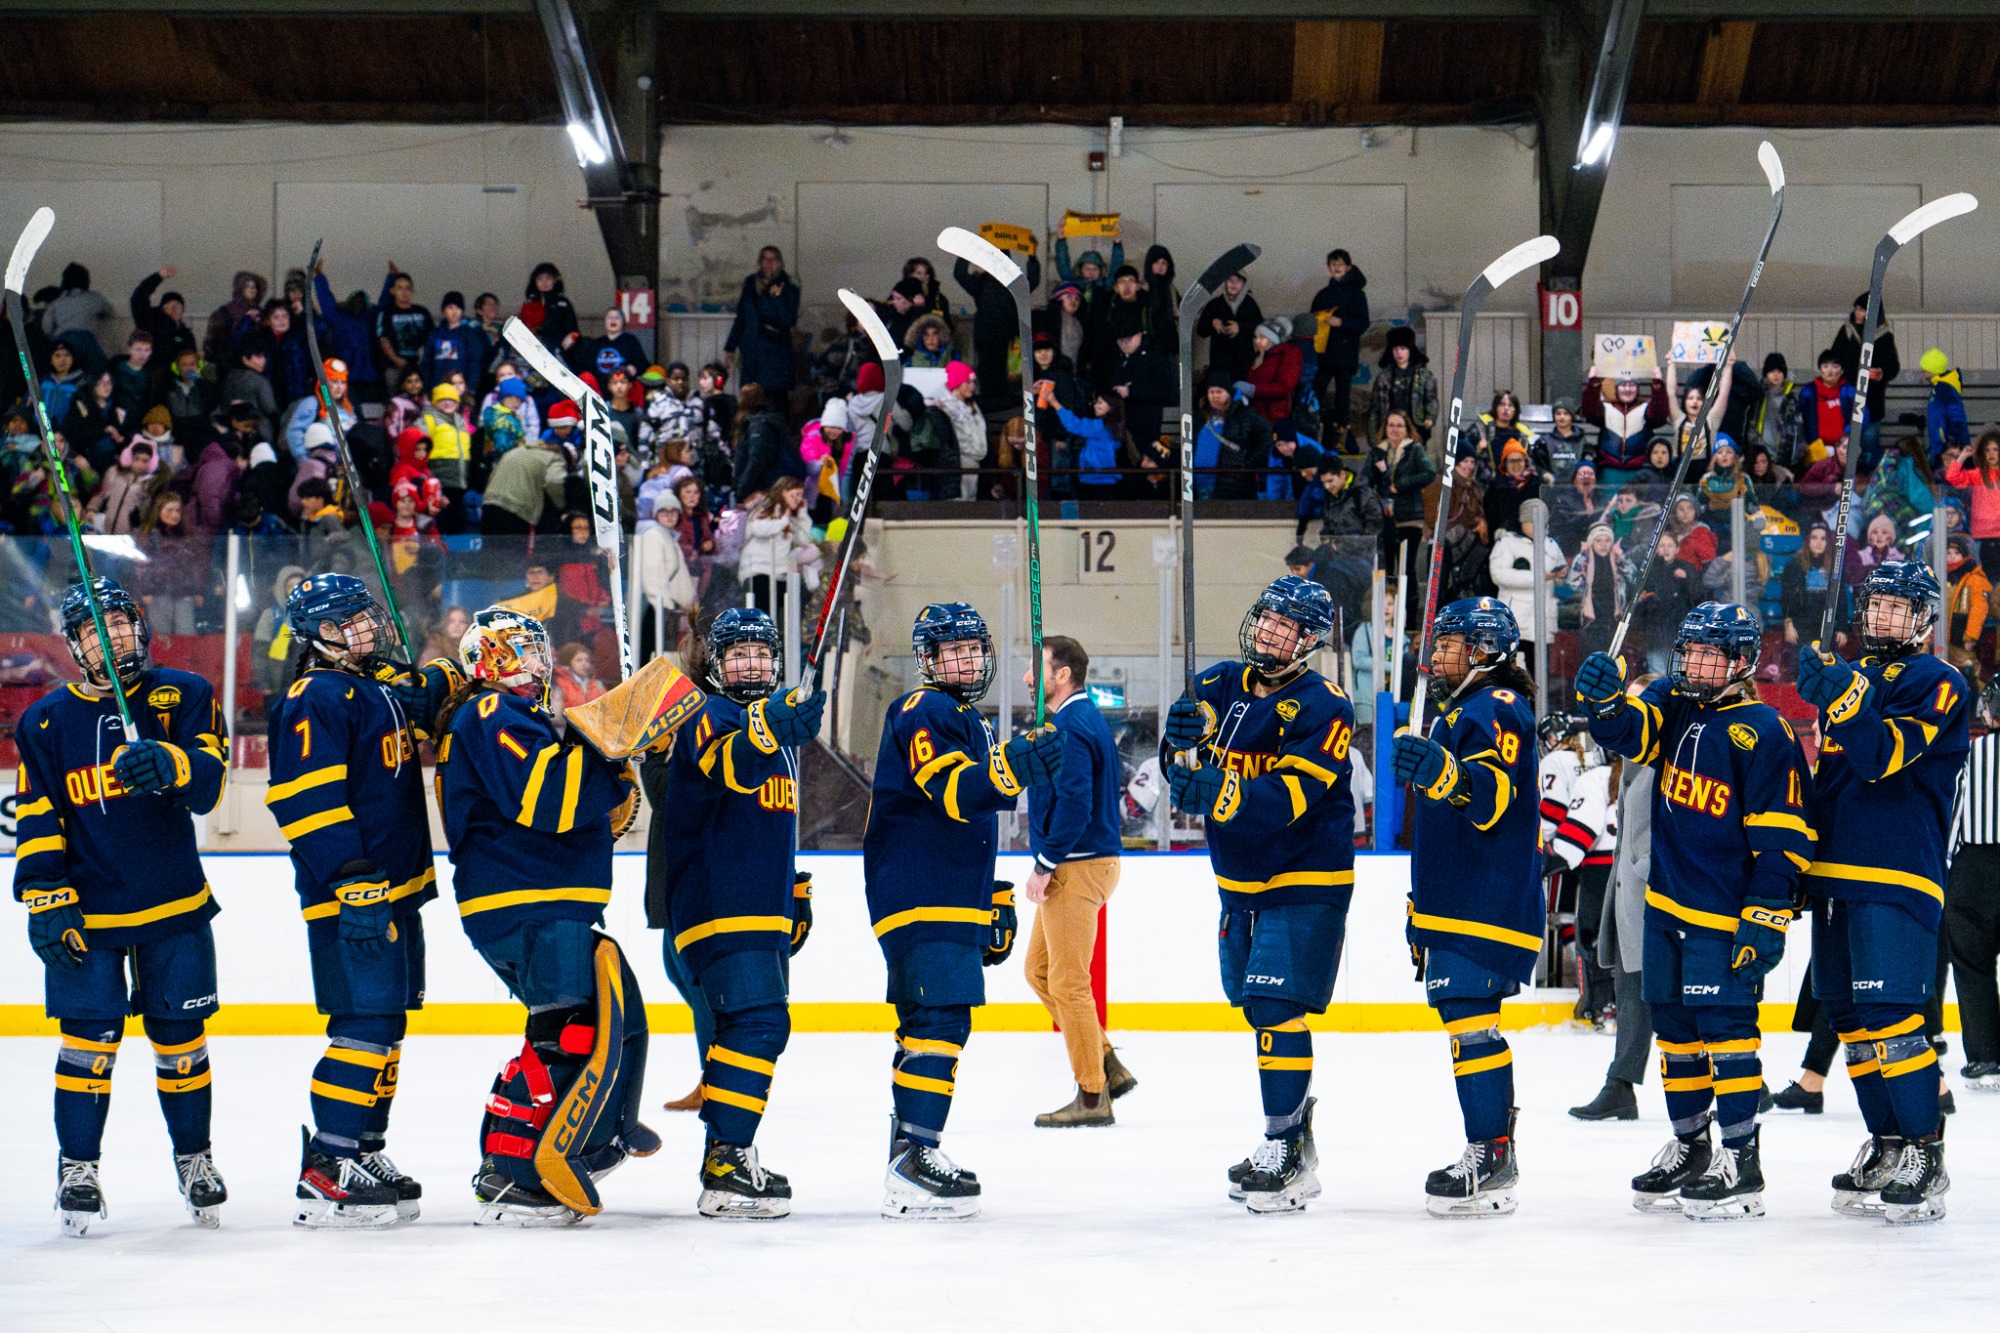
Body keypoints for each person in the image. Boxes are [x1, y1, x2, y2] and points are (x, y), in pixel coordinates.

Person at [439, 608, 687, 1225]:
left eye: (533, 649)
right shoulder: (491, 712)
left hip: (550, 898)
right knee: (567, 1038)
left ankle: (597, 1132)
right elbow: (546, 797)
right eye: (513, 650)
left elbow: (591, 808)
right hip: (523, 898)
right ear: (484, 660)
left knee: (610, 1021)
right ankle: (511, 1174)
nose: (530, 662)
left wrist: (614, 756)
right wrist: (610, 750)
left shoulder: (531, 720)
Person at [1576, 602, 1814, 1219]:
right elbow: (1629, 732)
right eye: (1691, 651)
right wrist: (1606, 706)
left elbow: (1784, 834)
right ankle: (1691, 1147)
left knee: (1729, 1034)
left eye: (1710, 654)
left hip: (1723, 914)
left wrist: (1767, 913)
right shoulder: (1673, 701)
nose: (1695, 663)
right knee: (1677, 1036)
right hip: (1665, 907)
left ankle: (1742, 1158)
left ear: (1741, 662)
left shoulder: (1766, 730)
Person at [14, 579, 230, 1235]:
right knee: (87, 1044)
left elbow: (211, 785)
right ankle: (77, 1167)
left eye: (121, 624)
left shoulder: (182, 695)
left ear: (144, 627)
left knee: (181, 1041)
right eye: (92, 631)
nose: (110, 640)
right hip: (91, 916)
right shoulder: (44, 721)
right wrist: (45, 898)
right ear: (74, 645)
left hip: (174, 905)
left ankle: (196, 1159)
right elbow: (38, 817)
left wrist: (170, 761)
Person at [266, 574, 458, 1228]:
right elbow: (303, 797)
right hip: (353, 893)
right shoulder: (312, 695)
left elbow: (430, 692)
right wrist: (350, 877)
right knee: (362, 1024)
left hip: (396, 888)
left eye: (364, 616)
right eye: (345, 621)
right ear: (316, 634)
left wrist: (432, 678)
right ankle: (328, 1159)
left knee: (390, 1022)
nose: (362, 628)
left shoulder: (375, 686)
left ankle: (364, 1149)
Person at [863, 603, 1064, 1219]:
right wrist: (1013, 766)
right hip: (918, 892)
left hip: (940, 892)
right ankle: (914, 1161)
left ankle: (908, 1152)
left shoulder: (964, 719)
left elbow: (970, 816)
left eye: (971, 649)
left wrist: (989, 900)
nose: (963, 660)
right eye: (949, 651)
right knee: (941, 1021)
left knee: (928, 1021)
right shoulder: (923, 709)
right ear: (927, 659)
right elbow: (954, 793)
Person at [1162, 577, 1352, 1212]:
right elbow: (1182, 764)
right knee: (1255, 1008)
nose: (1270, 630)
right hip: (1237, 883)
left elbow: (1288, 799)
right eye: (1266, 617)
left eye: (1286, 624)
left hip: (1304, 876)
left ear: (1310, 640)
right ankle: (1294, 1135)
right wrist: (1176, 747)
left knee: (1275, 1008)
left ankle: (1285, 1147)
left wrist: (1214, 790)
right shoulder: (1218, 684)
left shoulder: (1326, 706)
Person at [1793, 561, 1968, 1223]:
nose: (1886, 617)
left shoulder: (1940, 681)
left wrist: (1843, 699)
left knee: (1894, 1021)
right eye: (1879, 605)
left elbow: (1881, 756)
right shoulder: (1855, 677)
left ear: (1925, 619)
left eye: (1901, 607)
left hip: (1897, 869)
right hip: (1836, 874)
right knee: (1851, 1022)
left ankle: (1926, 1149)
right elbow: (1833, 777)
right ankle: (1890, 1143)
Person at [647, 608, 824, 1216]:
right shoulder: (706, 713)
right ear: (715, 665)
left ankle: (730, 1158)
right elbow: (729, 765)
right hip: (720, 903)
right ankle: (726, 1165)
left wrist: (792, 891)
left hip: (759, 903)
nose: (752, 665)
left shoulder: (772, 729)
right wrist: (767, 729)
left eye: (761, 654)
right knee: (757, 1025)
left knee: (751, 1029)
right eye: (738, 655)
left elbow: (771, 822)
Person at [1390, 596, 1540, 1217]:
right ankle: (1493, 1149)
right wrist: (1418, 905)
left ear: (1485, 650)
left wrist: (1441, 771)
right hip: (1455, 899)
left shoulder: (1496, 707)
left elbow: (1492, 798)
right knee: (1466, 1019)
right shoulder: (1461, 710)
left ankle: (1492, 1153)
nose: (1438, 653)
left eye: (1451, 642)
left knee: (1470, 1022)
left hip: (1486, 898)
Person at [1020, 635, 1132, 1127]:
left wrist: (1044, 864)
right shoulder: (1075, 720)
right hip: (1085, 862)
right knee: (1039, 972)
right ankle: (1106, 1061)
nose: (1026, 677)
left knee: (1067, 982)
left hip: (1076, 865)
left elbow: (1074, 804)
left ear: (1061, 675)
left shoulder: (1070, 725)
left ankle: (1092, 1097)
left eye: (1035, 668)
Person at [1571, 693, 1659, 1121]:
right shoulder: (1628, 762)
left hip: (1664, 894)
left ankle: (1750, 1084)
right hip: (1628, 892)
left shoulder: (1670, 756)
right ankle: (1619, 1085)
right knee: (1630, 991)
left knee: (1691, 997)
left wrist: (1648, 867)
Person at [1537, 714, 1618, 1028]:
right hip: (1638, 869)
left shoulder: (1592, 777)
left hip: (1591, 865)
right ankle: (1631, 1007)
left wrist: (1548, 856)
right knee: (1629, 942)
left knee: (1590, 935)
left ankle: (1600, 1005)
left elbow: (1574, 824)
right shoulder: (1646, 773)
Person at [1947, 680, 2000, 1090]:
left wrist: (1944, 867)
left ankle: (1984, 1057)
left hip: (1974, 870)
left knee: (1972, 967)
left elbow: (1954, 818)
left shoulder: (1970, 753)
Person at [1832, 294, 1900, 467]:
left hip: (1872, 403)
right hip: (1847, 403)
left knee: (1868, 450)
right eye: (1857, 308)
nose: (1857, 313)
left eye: (1862, 309)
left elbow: (1893, 367)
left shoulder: (1884, 337)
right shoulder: (1847, 332)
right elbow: (1835, 359)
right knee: (1844, 451)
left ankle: (1866, 486)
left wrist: (1880, 373)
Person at [1308, 249, 1368, 443]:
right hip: (1323, 353)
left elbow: (1363, 323)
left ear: (1348, 267)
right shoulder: (1322, 295)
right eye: (1332, 264)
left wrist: (1342, 323)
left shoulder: (1357, 295)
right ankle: (1312, 429)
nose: (1336, 268)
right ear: (1328, 268)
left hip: (1344, 355)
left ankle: (1341, 439)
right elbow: (1311, 320)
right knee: (1316, 393)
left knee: (1343, 399)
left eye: (1340, 264)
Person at [725, 246, 800, 399]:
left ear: (780, 262)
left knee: (775, 396)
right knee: (751, 393)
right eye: (765, 259)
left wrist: (775, 299)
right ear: (760, 262)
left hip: (776, 349)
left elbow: (787, 319)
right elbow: (742, 317)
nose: (769, 263)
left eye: (774, 259)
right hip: (752, 346)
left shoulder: (789, 286)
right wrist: (730, 347)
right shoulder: (751, 284)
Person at [1369, 326, 1437, 448]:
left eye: (1403, 348)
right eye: (1396, 349)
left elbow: (1431, 399)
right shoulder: (1384, 377)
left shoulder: (1423, 375)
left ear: (1410, 350)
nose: (1399, 353)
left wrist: (1430, 418)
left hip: (1416, 428)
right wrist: (1374, 439)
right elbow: (1375, 409)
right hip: (1390, 430)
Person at [1195, 272, 1260, 385]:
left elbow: (1261, 330)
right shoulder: (1215, 304)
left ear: (1244, 283)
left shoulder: (1250, 305)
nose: (1233, 283)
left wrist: (1241, 328)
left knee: (1240, 398)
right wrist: (1212, 322)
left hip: (1244, 364)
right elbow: (1201, 331)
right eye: (1229, 279)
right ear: (1223, 282)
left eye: (1238, 280)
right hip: (1219, 365)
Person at [1921, 348, 1969, 466]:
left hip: (1948, 448)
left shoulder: (1944, 389)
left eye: (1924, 369)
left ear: (1932, 370)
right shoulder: (1938, 387)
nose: (1921, 372)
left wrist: (1952, 441)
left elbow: (1956, 416)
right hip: (1942, 446)